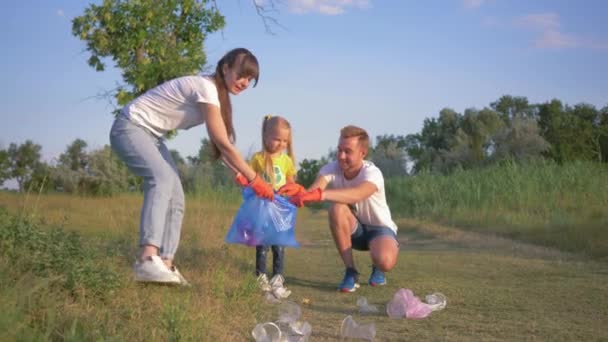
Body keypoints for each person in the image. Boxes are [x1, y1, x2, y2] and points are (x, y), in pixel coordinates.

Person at [110, 48, 274, 285]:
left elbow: (221, 148)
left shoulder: (218, 97)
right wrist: (255, 180)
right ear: (225, 68)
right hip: (130, 127)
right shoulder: (206, 87)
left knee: (176, 197)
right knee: (162, 180)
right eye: (242, 75)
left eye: (250, 79)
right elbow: (222, 142)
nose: (245, 82)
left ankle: (165, 264)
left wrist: (239, 176)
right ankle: (147, 259)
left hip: (153, 136)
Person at [287, 125, 399, 292]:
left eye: (348, 151)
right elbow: (315, 190)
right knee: (337, 209)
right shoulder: (330, 168)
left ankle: (378, 267)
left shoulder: (373, 173)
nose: (341, 156)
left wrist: (322, 195)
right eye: (339, 150)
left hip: (379, 229)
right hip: (355, 231)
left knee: (385, 261)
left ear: (363, 153)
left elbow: (357, 194)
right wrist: (298, 193)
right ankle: (351, 272)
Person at [248, 115, 301, 298]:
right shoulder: (257, 158)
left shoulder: (286, 160)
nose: (281, 143)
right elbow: (250, 180)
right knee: (262, 244)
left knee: (279, 245)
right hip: (262, 208)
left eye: (285, 140)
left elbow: (291, 181)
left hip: (280, 207)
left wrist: (292, 193)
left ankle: (278, 277)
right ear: (265, 136)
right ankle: (261, 276)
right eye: (277, 139)